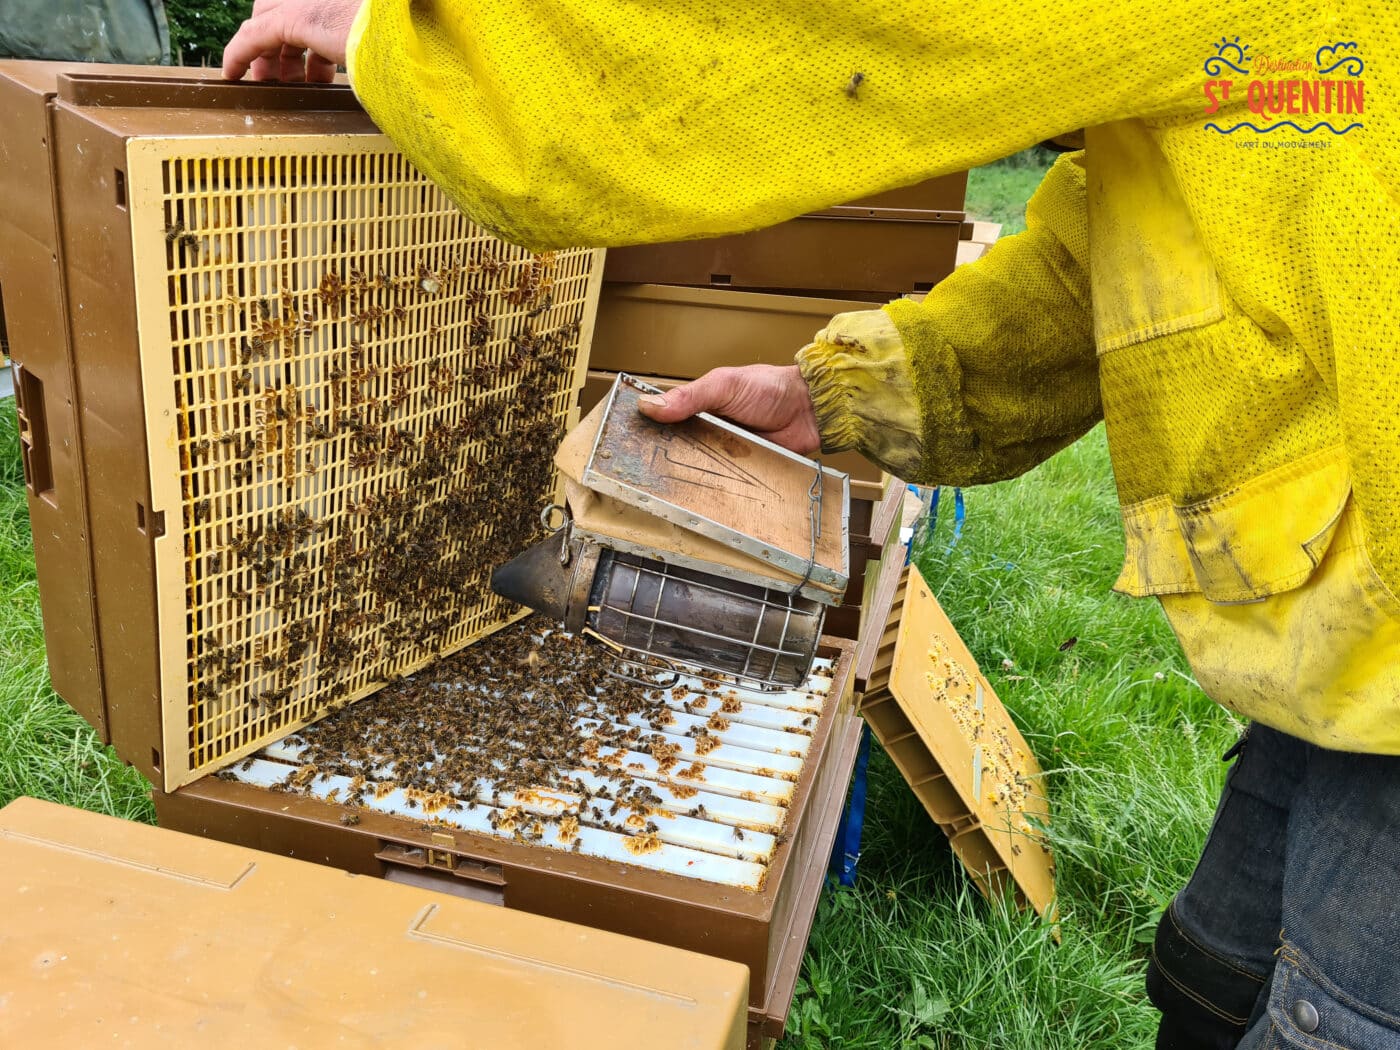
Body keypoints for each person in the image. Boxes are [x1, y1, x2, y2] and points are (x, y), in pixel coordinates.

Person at [224, 3, 1398, 1046]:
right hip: (1340, 664)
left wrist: (424, 41)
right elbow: (1115, 259)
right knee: (1212, 978)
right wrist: (833, 391)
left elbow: (793, 45)